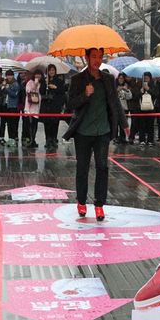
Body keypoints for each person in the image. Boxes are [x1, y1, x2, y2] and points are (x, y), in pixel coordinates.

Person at [63, 48, 129, 221]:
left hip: (103, 131)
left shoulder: (108, 79)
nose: (97, 60)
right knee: (82, 168)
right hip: (83, 132)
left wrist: (124, 124)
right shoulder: (78, 80)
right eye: (93, 57)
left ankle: (99, 205)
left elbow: (115, 103)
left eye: (100, 57)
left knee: (102, 167)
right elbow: (70, 104)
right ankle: (82, 202)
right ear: (87, 58)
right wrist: (85, 94)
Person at [40, 64, 65, 151]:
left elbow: (62, 92)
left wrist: (55, 87)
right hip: (47, 105)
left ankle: (54, 139)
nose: (51, 72)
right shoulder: (44, 81)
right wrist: (45, 84)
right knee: (47, 123)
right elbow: (41, 91)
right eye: (50, 70)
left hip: (55, 105)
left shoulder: (59, 81)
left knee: (55, 123)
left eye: (53, 70)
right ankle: (48, 140)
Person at [1, 69, 20, 146]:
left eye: (10, 75)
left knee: (13, 123)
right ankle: (10, 139)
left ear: (13, 76)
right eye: (7, 75)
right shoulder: (5, 83)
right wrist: (3, 86)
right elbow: (1, 91)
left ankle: (13, 139)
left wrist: (7, 89)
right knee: (8, 123)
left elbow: (14, 94)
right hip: (6, 106)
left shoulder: (15, 84)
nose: (9, 77)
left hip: (13, 106)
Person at [24, 70, 42, 149]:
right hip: (30, 105)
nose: (38, 76)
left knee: (35, 123)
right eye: (36, 74)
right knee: (30, 123)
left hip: (37, 106)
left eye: (39, 74)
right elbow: (28, 91)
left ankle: (33, 139)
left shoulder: (42, 83)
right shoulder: (30, 82)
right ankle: (31, 140)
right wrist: (35, 85)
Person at [115, 73, 131, 144]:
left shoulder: (126, 86)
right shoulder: (114, 86)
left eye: (122, 78)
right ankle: (116, 137)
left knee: (123, 124)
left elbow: (130, 97)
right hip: (116, 108)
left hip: (124, 108)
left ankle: (123, 137)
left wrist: (126, 90)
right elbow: (111, 96)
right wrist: (117, 90)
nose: (121, 80)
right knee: (116, 124)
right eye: (120, 78)